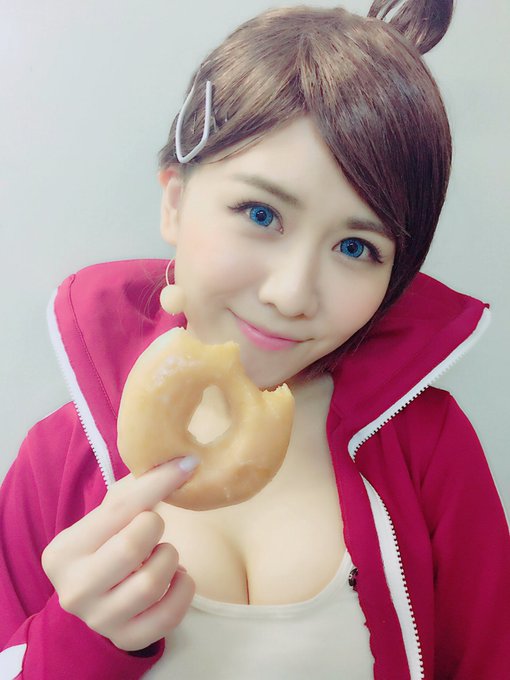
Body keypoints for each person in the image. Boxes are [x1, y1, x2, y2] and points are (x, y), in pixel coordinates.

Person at [1, 2, 509, 678]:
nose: (293, 293)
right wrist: (80, 640)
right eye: (262, 213)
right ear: (175, 201)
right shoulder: (58, 460)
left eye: (356, 247)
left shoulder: (427, 446)